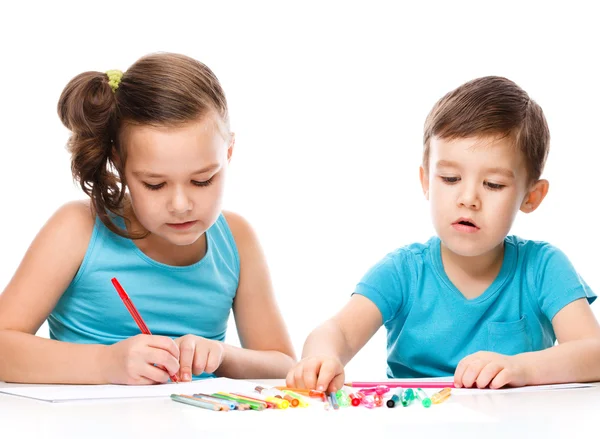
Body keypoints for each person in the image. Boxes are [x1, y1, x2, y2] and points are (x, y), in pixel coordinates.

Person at [286, 76, 600, 391]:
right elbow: (336, 332)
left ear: (531, 196)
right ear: (426, 181)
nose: (468, 199)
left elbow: (594, 353)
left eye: (493, 184)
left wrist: (522, 368)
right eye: (450, 178)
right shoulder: (403, 271)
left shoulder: (543, 267)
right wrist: (321, 358)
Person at [0, 52, 295, 385]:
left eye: (202, 180)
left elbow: (284, 366)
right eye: (155, 184)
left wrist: (223, 356)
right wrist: (105, 364)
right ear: (119, 164)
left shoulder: (237, 239)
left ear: (228, 153)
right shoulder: (77, 228)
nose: (181, 205)